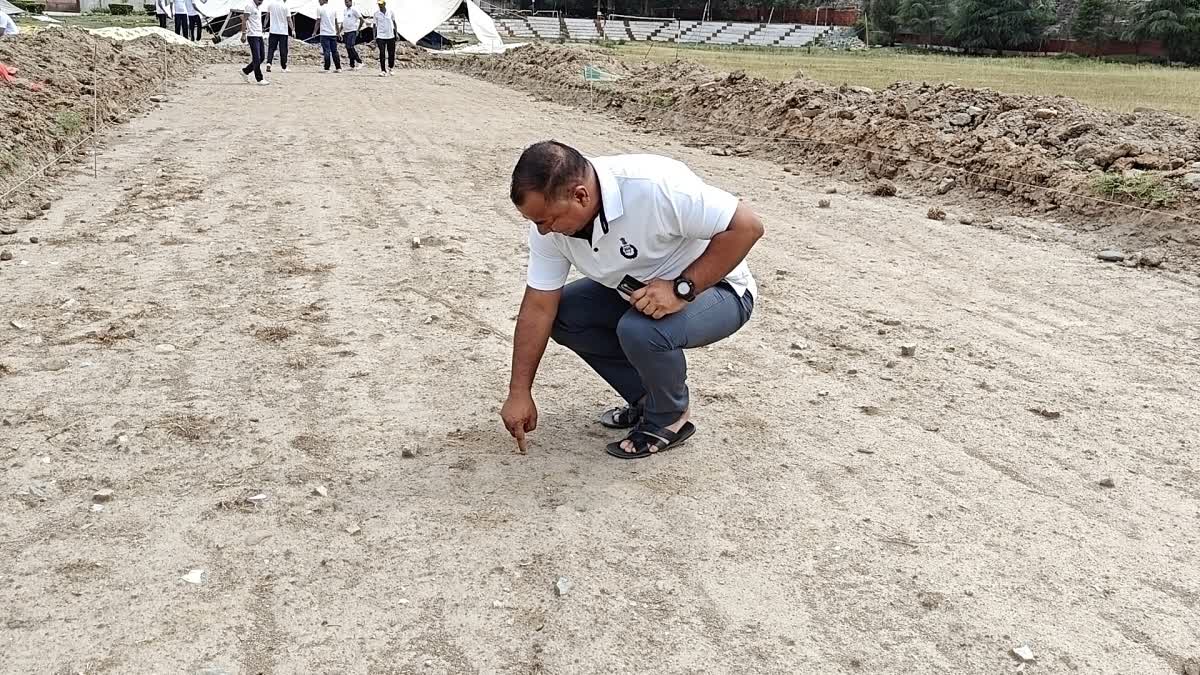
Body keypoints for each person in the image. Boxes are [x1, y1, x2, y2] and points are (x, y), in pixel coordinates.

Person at [500, 141, 763, 459]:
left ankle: (670, 418)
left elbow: (747, 227)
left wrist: (682, 288)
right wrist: (519, 391)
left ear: (580, 195)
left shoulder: (652, 185)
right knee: (565, 314)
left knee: (640, 331)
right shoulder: (550, 227)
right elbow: (539, 306)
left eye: (547, 220)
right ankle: (647, 401)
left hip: (720, 290)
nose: (542, 232)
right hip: (638, 294)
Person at [239, 0, 268, 85]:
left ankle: (245, 71)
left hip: (259, 34)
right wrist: (243, 34)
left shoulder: (258, 7)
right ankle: (259, 79)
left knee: (262, 57)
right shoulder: (249, 6)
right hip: (252, 35)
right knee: (256, 57)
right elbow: (244, 20)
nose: (261, 1)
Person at [263, 0, 293, 73]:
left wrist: (264, 26)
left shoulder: (271, 4)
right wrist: (293, 29)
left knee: (271, 48)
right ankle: (284, 67)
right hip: (283, 31)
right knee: (283, 49)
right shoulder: (286, 6)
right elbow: (289, 19)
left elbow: (267, 17)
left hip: (273, 30)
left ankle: (269, 63)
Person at [373, 0, 398, 77]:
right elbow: (374, 26)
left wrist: (396, 33)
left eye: (381, 4)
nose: (380, 6)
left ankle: (390, 67)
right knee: (382, 53)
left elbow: (394, 23)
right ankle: (383, 70)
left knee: (391, 53)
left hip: (390, 35)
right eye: (379, 4)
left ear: (384, 4)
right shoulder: (376, 14)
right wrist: (374, 37)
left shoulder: (390, 12)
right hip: (380, 36)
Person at [316, 0, 341, 73]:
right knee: (334, 51)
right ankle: (338, 67)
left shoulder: (320, 8)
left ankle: (327, 68)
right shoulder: (334, 9)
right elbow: (336, 22)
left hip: (324, 33)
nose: (318, 1)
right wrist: (338, 32)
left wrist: (314, 32)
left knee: (326, 51)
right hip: (333, 33)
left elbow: (318, 21)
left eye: (319, 0)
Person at [341, 0, 364, 71]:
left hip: (352, 30)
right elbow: (344, 21)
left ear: (351, 2)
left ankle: (360, 62)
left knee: (350, 46)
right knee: (348, 48)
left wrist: (358, 30)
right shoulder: (345, 10)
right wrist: (339, 30)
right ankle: (352, 65)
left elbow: (362, 20)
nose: (346, 3)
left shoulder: (354, 9)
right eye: (345, 2)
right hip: (346, 31)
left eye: (347, 2)